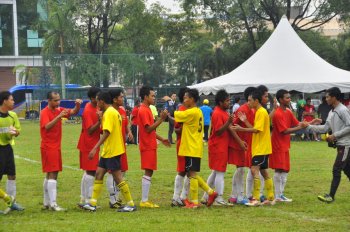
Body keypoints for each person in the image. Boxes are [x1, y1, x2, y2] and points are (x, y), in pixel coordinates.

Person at [82, 91, 136, 212]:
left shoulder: (109, 113)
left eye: (98, 101)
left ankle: (131, 204)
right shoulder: (112, 112)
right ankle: (92, 203)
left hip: (112, 150)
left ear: (101, 101)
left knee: (118, 178)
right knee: (99, 174)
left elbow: (106, 132)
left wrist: (95, 147)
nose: (97, 104)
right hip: (108, 150)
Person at [174, 88, 218, 208]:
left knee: (192, 175)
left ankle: (194, 202)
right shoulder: (196, 111)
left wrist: (172, 108)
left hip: (191, 147)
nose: (184, 100)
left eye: (186, 98)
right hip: (193, 147)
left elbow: (177, 115)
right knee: (191, 174)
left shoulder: (192, 112)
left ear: (192, 99)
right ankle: (210, 193)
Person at [306, 87, 350, 203]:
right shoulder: (332, 111)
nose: (326, 99)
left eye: (327, 97)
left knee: (336, 169)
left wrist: (335, 135)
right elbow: (325, 128)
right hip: (341, 144)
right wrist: (309, 126)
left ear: (334, 97)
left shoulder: (343, 110)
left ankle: (331, 196)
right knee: (346, 169)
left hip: (345, 145)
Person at [232, 89, 275, 206]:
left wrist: (241, 129)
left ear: (256, 101)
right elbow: (255, 128)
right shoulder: (259, 112)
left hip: (261, 147)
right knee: (264, 172)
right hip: (263, 147)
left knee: (254, 170)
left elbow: (256, 130)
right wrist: (245, 121)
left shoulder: (261, 112)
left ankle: (255, 198)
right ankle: (271, 197)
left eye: (250, 100)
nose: (248, 103)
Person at [40, 91, 82, 211]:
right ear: (49, 101)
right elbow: (47, 126)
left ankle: (46, 203)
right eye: (55, 100)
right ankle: (53, 204)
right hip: (48, 146)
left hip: (55, 146)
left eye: (59, 100)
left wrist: (78, 105)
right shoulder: (44, 112)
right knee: (53, 173)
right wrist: (58, 117)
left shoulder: (59, 109)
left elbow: (73, 112)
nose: (58, 102)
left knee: (51, 173)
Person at [270, 89, 308, 202]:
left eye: (289, 97)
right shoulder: (277, 114)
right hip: (277, 145)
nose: (289, 99)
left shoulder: (288, 111)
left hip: (285, 145)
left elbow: (297, 123)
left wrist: (310, 123)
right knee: (279, 169)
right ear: (280, 100)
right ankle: (277, 195)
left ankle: (280, 194)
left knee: (285, 169)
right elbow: (284, 131)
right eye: (287, 97)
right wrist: (300, 127)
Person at [138, 86, 170, 208]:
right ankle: (144, 200)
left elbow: (150, 130)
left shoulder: (147, 109)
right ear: (145, 97)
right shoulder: (144, 110)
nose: (154, 98)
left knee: (149, 171)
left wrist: (162, 139)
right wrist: (162, 119)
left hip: (149, 144)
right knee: (148, 171)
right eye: (152, 96)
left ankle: (145, 200)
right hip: (147, 146)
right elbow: (148, 129)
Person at [203, 90, 235, 206]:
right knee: (220, 172)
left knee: (216, 172)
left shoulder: (223, 112)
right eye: (227, 101)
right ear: (220, 102)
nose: (229, 103)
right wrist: (228, 123)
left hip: (220, 145)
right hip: (218, 146)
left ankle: (206, 195)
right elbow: (218, 132)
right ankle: (219, 198)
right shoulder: (217, 113)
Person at [106, 88, 134, 208]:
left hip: (122, 145)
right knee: (112, 172)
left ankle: (116, 198)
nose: (123, 98)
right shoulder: (109, 112)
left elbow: (125, 122)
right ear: (114, 99)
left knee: (122, 171)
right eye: (121, 97)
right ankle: (113, 200)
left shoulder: (122, 110)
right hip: (113, 146)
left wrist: (129, 131)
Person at [228, 87, 256, 205]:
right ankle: (239, 196)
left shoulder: (254, 110)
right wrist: (239, 141)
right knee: (240, 169)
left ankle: (234, 195)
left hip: (246, 143)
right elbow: (231, 126)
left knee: (241, 169)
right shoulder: (242, 109)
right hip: (239, 143)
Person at [77, 87, 101, 208]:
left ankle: (83, 199)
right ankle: (88, 200)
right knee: (91, 171)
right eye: (98, 97)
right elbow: (90, 130)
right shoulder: (87, 110)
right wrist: (100, 121)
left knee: (89, 171)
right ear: (92, 98)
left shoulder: (96, 108)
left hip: (93, 143)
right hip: (88, 144)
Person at [0, 91, 24, 211]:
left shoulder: (13, 115)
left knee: (12, 175)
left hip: (7, 148)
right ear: (4, 101)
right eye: (11, 99)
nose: (13, 101)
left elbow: (18, 131)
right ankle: (8, 200)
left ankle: (12, 203)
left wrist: (15, 132)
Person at [171, 87, 190, 207]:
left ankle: (182, 197)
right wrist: (184, 129)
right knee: (183, 170)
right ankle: (177, 197)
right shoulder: (182, 110)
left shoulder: (191, 110)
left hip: (190, 144)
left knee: (189, 171)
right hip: (183, 144)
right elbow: (176, 129)